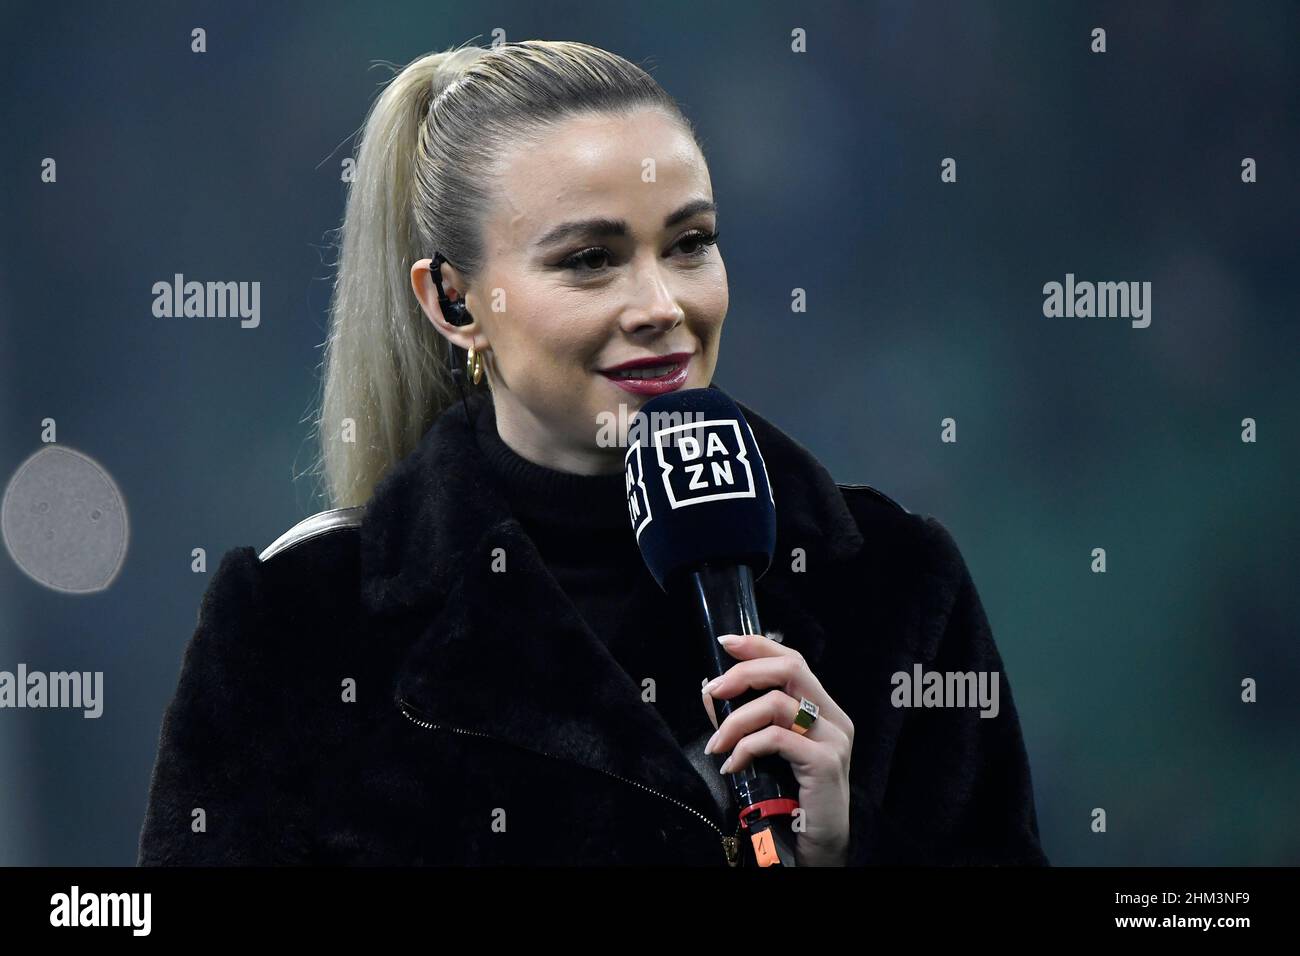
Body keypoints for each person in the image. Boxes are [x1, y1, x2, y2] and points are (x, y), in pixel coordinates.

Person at [137, 39, 1048, 867]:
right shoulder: (299, 619)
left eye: (690, 244)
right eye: (589, 260)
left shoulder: (896, 583)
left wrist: (850, 855)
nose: (661, 304)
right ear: (456, 303)